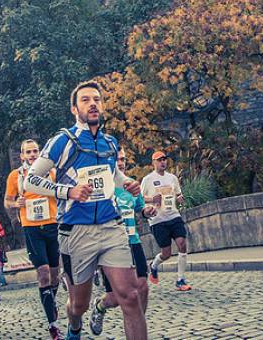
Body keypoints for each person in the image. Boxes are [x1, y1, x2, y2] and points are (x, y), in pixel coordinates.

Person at [24, 81, 147, 340]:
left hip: (110, 226)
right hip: (76, 231)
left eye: (97, 100)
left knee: (131, 295)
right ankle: (75, 326)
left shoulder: (110, 143)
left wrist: (127, 183)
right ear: (74, 108)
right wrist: (68, 192)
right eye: (85, 100)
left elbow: (111, 174)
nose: (92, 104)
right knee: (78, 305)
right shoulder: (63, 141)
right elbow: (30, 180)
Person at [90, 154, 157, 335]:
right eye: (117, 160)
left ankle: (136, 327)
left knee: (142, 288)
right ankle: (100, 305)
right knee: (115, 298)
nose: (121, 163)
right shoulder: (102, 188)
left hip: (133, 241)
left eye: (123, 160)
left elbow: (140, 208)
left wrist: (147, 211)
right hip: (113, 245)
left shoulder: (131, 185)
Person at [6, 138, 63, 340]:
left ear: (40, 153)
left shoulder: (52, 172)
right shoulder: (16, 176)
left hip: (52, 224)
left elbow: (62, 193)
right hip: (31, 228)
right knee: (44, 273)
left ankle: (50, 301)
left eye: (35, 151)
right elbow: (7, 201)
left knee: (55, 274)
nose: (32, 155)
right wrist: (16, 203)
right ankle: (53, 324)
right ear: (21, 156)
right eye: (27, 152)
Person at [141, 151, 191, 291]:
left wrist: (180, 198)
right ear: (154, 162)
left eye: (164, 159)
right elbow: (139, 199)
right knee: (166, 253)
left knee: (182, 244)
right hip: (157, 220)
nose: (163, 162)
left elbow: (178, 193)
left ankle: (180, 280)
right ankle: (154, 266)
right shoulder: (148, 179)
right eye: (159, 160)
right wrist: (152, 200)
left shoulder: (172, 178)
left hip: (173, 216)